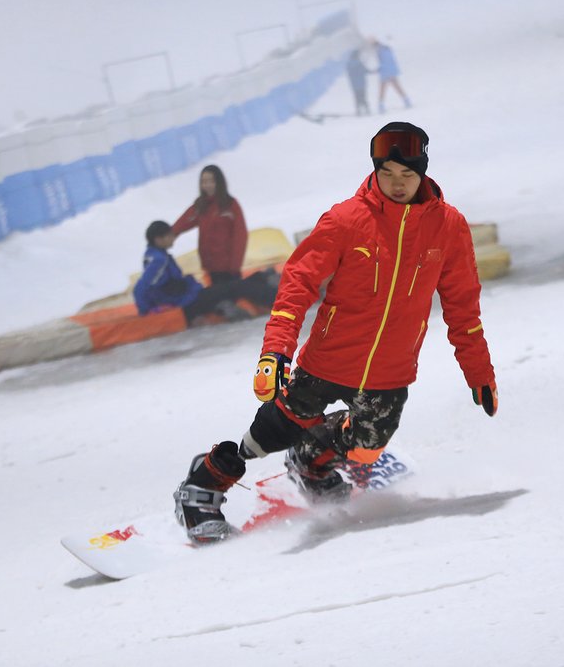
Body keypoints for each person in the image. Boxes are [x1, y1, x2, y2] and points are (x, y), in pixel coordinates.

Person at [172, 121, 498, 544]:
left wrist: (479, 372)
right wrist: (275, 353)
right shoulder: (347, 219)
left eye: (407, 176)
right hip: (328, 360)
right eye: (387, 175)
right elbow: (297, 285)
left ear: (424, 173)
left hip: (390, 372)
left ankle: (310, 463)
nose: (397, 185)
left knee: (367, 449)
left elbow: (463, 307)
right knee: (269, 433)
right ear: (375, 171)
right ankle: (202, 485)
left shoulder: (449, 227)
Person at [134, 221, 275, 325]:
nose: (173, 238)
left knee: (230, 287)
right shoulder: (158, 261)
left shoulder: (156, 255)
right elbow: (141, 288)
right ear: (158, 239)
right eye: (169, 235)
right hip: (188, 302)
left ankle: (261, 278)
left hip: (190, 297)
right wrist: (146, 311)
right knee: (234, 288)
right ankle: (275, 297)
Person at [170, 165, 247, 286]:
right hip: (210, 266)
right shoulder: (201, 205)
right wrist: (167, 235)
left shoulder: (231, 205)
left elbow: (240, 236)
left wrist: (235, 266)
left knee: (235, 299)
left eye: (211, 181)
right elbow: (183, 222)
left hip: (228, 268)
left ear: (219, 182)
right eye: (204, 182)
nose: (207, 185)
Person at [372, 39, 411, 113]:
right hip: (391, 71)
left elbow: (385, 62)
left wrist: (379, 69)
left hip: (386, 72)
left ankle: (381, 106)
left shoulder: (380, 51)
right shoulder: (386, 49)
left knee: (383, 88)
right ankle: (406, 100)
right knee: (396, 86)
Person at [346, 48, 372, 116]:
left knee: (356, 97)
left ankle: (358, 111)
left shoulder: (349, 64)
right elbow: (366, 71)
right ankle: (367, 110)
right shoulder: (359, 63)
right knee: (363, 96)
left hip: (354, 84)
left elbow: (349, 74)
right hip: (362, 83)